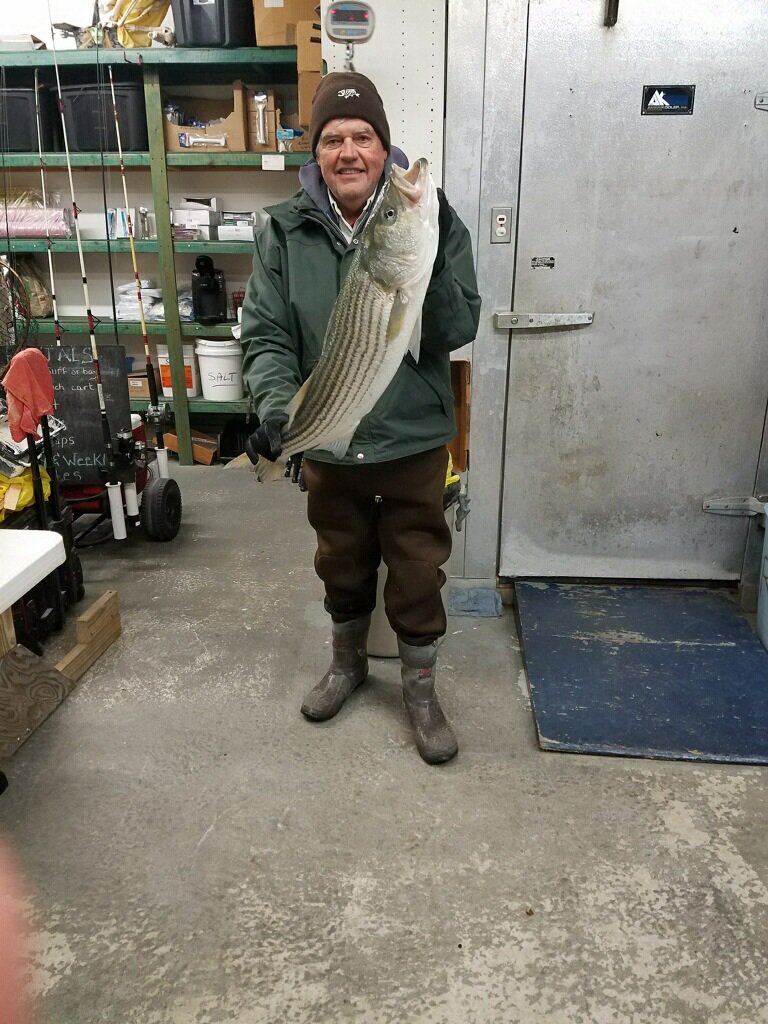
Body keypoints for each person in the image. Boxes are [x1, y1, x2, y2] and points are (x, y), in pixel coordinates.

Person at [240, 72, 481, 765]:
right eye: (333, 138)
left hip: (413, 440)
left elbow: (457, 325)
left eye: (364, 137)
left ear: (384, 147)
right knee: (339, 560)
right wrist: (279, 411)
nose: (349, 151)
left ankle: (421, 688)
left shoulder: (429, 216)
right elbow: (266, 335)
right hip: (330, 439)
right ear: (316, 153)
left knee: (416, 567)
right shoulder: (283, 231)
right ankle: (348, 665)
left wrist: (426, 266)